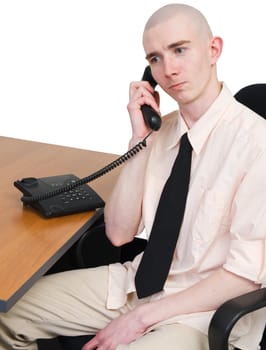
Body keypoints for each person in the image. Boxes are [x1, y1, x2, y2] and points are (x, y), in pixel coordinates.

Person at [0, 3, 265, 350]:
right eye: (155, 58)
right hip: (138, 285)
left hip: (204, 312)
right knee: (7, 316)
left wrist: (141, 319)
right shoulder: (163, 132)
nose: (168, 70)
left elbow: (245, 276)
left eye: (179, 50)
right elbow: (119, 233)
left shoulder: (256, 143)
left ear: (213, 49)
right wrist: (139, 140)